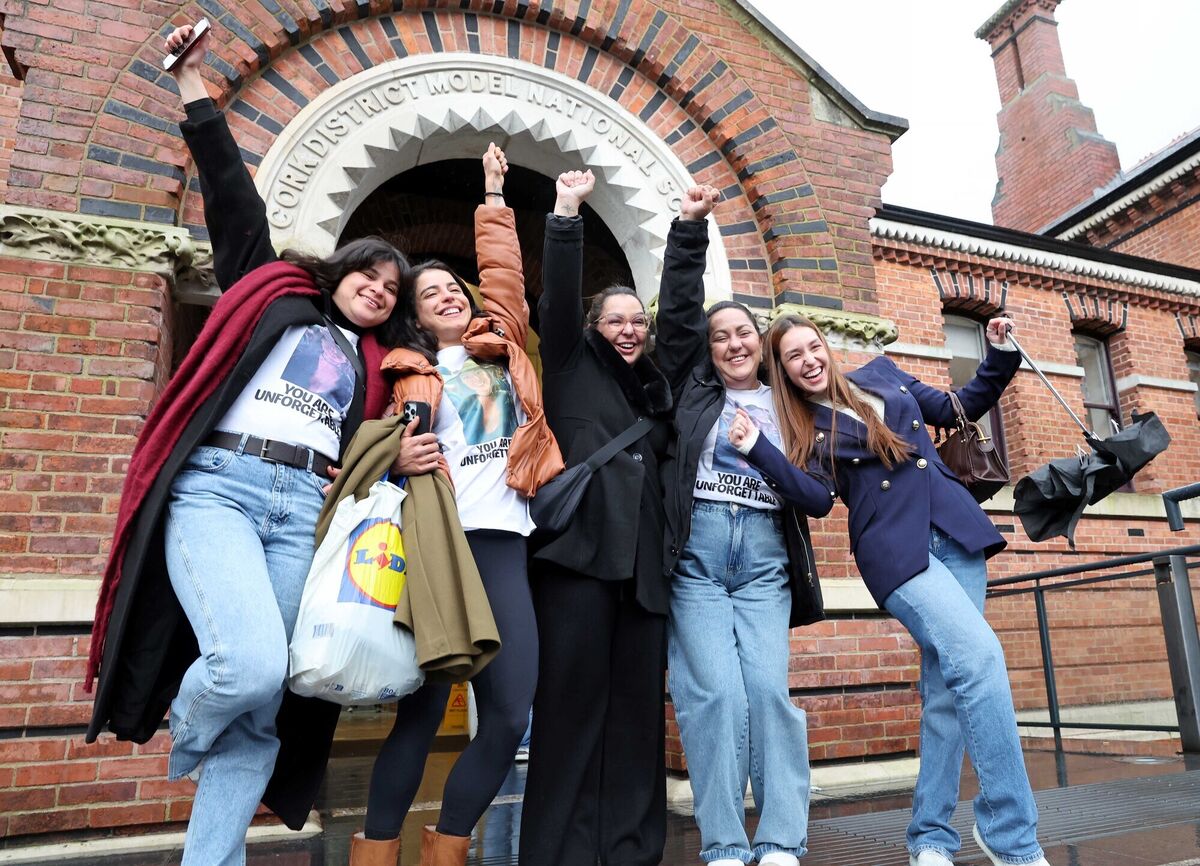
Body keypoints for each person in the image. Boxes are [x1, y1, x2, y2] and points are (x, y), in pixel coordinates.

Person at [84, 23, 407, 866]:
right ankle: (186, 728)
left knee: (267, 709)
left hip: (303, 510)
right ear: (340, 271)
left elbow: (378, 444)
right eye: (368, 274)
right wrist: (192, 83)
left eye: (391, 289)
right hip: (221, 488)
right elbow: (232, 195)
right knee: (249, 667)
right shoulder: (273, 294)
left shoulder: (373, 363)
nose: (378, 290)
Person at [731, 314, 1053, 866]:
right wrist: (760, 448)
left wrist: (999, 354)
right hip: (898, 554)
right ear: (781, 370)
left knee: (948, 690)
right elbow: (816, 499)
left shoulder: (882, 373)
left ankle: (930, 838)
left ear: (825, 346)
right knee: (980, 657)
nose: (808, 360)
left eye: (812, 346)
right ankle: (1013, 839)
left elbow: (957, 407)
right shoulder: (802, 429)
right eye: (793, 356)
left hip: (957, 534)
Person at [353, 144, 563, 866]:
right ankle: (377, 853)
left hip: (505, 543)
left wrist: (494, 196)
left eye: (453, 288)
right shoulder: (408, 372)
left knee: (509, 713)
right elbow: (374, 452)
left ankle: (446, 850)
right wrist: (394, 457)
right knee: (418, 715)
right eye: (429, 294)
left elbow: (504, 277)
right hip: (443, 546)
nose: (447, 296)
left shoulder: (502, 347)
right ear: (414, 317)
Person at [657, 186, 821, 866]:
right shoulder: (693, 391)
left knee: (769, 695)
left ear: (761, 342)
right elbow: (676, 317)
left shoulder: (790, 402)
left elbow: (819, 485)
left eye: (743, 333)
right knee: (714, 697)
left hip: (763, 561)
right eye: (720, 335)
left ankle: (780, 840)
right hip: (697, 558)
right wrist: (689, 229)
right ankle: (724, 843)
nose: (732, 343)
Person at [520, 169, 675, 866]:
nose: (629, 330)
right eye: (616, 320)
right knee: (570, 710)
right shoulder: (569, 362)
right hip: (577, 564)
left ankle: (631, 849)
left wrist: (689, 232)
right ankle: (563, 851)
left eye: (638, 322)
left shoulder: (656, 393)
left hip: (643, 575)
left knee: (637, 717)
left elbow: (685, 316)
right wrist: (565, 214)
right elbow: (556, 298)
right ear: (592, 328)